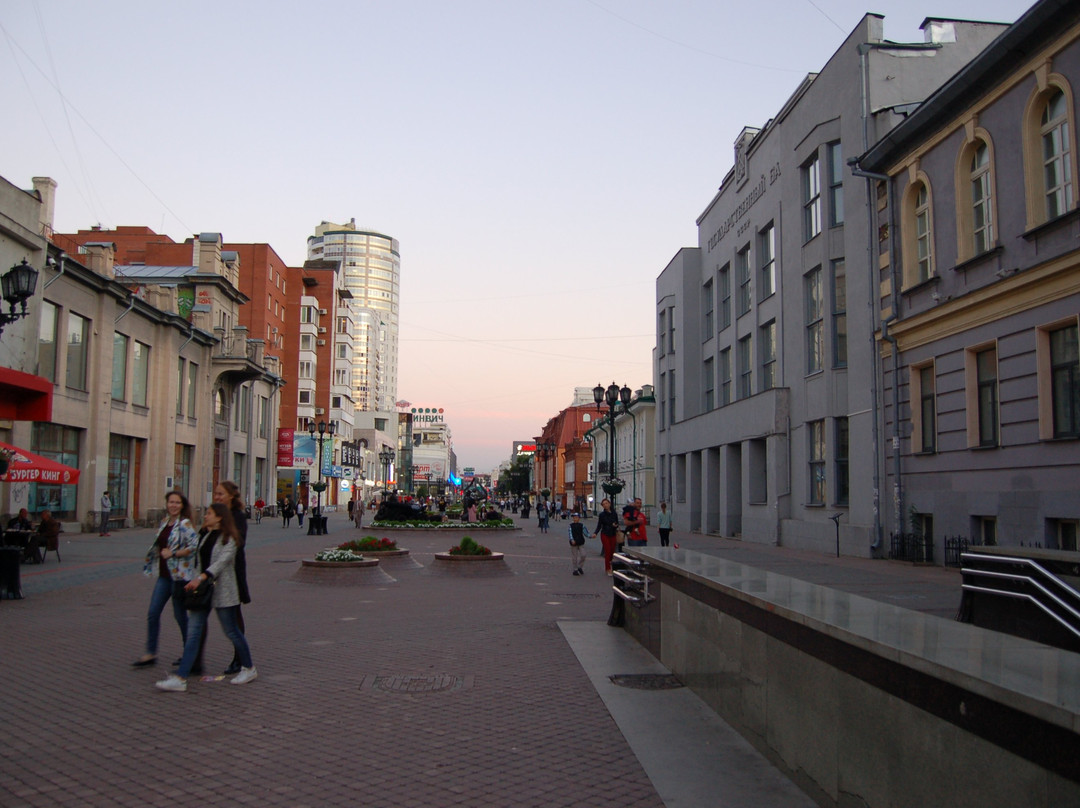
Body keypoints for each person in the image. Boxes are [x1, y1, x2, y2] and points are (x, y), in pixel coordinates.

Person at [156, 503, 257, 691]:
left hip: (223, 591)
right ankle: (181, 678)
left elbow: (221, 562)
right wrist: (193, 577)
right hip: (202, 591)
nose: (205, 516)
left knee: (232, 631)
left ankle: (249, 667)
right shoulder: (205, 535)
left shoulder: (230, 538)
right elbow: (197, 560)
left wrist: (201, 577)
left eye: (209, 513)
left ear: (219, 517)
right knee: (194, 633)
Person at [132, 491, 198, 667]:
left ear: (182, 505)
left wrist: (174, 553)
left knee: (180, 616)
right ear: (167, 504)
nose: (173, 505)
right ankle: (150, 652)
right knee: (153, 613)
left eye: (177, 502)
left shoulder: (184, 524)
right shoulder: (164, 523)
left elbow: (193, 546)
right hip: (164, 575)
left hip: (178, 577)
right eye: (171, 502)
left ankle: (189, 653)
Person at [210, 481, 250, 676]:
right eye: (216, 494)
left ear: (231, 496)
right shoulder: (213, 514)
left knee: (233, 615)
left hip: (232, 571)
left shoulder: (237, 516)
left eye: (220, 494)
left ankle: (240, 658)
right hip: (209, 571)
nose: (217, 497)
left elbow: (238, 541)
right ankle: (191, 655)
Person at [594, 498, 619, 576]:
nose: (605, 505)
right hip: (605, 533)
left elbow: (617, 522)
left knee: (612, 551)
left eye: (606, 503)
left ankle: (611, 565)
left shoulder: (614, 513)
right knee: (607, 551)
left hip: (613, 533)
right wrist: (595, 533)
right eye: (603, 504)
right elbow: (599, 525)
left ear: (609, 504)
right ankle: (607, 568)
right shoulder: (602, 515)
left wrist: (615, 525)